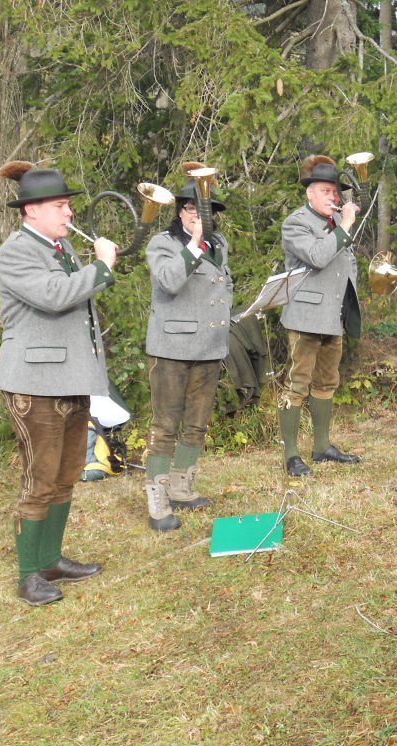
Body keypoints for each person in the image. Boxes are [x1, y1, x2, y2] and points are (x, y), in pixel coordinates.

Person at [0, 162, 118, 606]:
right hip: (34, 384)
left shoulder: (61, 248)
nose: (69, 213)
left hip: (70, 379)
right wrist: (101, 267)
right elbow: (54, 296)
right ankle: (28, 576)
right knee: (39, 480)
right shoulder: (16, 251)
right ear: (32, 210)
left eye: (68, 205)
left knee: (65, 476)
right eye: (60, 206)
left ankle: (50, 561)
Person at [142, 177, 232, 532]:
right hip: (171, 348)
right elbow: (168, 280)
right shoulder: (162, 243)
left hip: (209, 346)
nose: (200, 216)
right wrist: (194, 244)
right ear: (181, 211)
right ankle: (158, 502)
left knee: (197, 423)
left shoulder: (219, 243)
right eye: (194, 209)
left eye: (206, 210)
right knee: (165, 425)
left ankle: (182, 489)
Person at [277, 155, 362, 476]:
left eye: (335, 192)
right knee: (297, 384)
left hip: (333, 315)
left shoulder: (335, 222)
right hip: (305, 317)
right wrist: (345, 226)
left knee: (327, 382)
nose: (333, 197)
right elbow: (317, 256)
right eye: (326, 191)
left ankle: (322, 446)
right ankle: (291, 454)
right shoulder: (296, 223)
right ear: (309, 193)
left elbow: (347, 264)